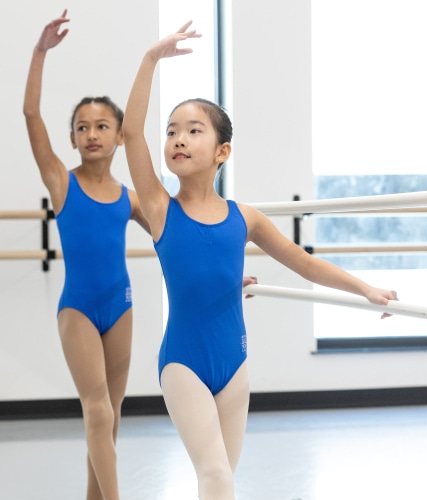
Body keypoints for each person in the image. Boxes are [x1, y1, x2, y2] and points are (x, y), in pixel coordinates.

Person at [122, 21, 398, 500]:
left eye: (193, 130)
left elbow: (303, 262)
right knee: (216, 476)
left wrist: (366, 289)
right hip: (183, 363)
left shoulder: (243, 218)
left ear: (222, 151)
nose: (179, 139)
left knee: (222, 475)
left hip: (235, 363)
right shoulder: (160, 208)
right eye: (172, 132)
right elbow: (131, 134)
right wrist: (150, 60)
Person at [23, 10, 149, 500]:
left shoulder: (128, 198)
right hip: (78, 308)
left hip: (121, 308)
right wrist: (40, 53)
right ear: (73, 137)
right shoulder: (61, 181)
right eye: (82, 127)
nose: (92, 133)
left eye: (102, 126)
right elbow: (32, 117)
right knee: (96, 410)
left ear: (120, 137)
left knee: (110, 419)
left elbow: (177, 236)